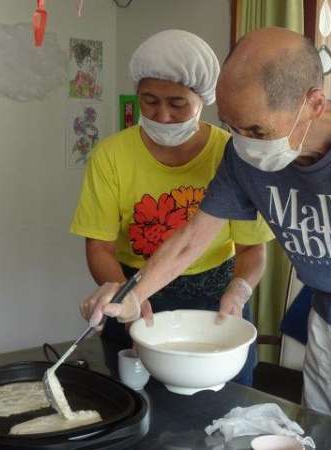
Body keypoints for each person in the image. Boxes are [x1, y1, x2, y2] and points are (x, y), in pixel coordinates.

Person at [80, 27, 331, 449]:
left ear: (313, 103)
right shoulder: (241, 154)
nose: (244, 143)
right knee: (321, 438)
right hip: (325, 317)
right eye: (231, 126)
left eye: (257, 130)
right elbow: (194, 236)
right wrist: (134, 294)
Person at [71, 29, 273, 386]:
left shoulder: (231, 154)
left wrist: (239, 290)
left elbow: (251, 248)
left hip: (215, 303)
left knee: (224, 402)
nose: (162, 115)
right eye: (149, 101)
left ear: (203, 99)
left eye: (177, 104)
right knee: (138, 401)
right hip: (134, 292)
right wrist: (127, 297)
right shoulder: (111, 156)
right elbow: (99, 247)